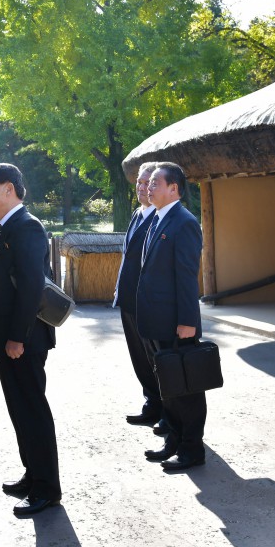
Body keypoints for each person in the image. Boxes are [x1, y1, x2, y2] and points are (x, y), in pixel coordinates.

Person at [0, 163, 61, 516]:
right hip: (11, 341)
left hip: (23, 341)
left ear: (8, 189)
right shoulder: (9, 225)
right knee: (20, 411)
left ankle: (47, 489)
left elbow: (31, 288)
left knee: (32, 410)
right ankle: (33, 474)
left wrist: (16, 337)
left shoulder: (26, 227)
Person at [136, 162, 206, 472]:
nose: (148, 188)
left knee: (186, 388)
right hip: (156, 321)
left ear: (173, 188)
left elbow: (187, 276)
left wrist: (188, 322)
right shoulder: (157, 219)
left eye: (154, 183)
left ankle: (192, 449)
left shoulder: (183, 222)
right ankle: (174, 441)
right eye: (148, 184)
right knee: (168, 385)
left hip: (177, 322)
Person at [114, 162, 165, 433]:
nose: (142, 188)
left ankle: (166, 409)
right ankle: (151, 404)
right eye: (139, 184)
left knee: (156, 357)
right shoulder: (137, 214)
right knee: (139, 357)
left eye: (148, 183)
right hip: (128, 299)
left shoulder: (159, 218)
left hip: (147, 302)